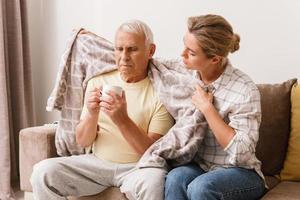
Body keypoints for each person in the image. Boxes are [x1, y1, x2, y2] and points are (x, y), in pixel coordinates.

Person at [30, 20, 174, 200]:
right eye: (119, 49)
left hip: (139, 167)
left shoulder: (162, 92)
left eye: (132, 49)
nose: (124, 56)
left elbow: (150, 151)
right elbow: (82, 141)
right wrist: (91, 114)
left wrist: (122, 120)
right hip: (97, 163)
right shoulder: (98, 82)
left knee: (154, 182)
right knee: (42, 172)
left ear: (150, 51)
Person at [164, 14, 266, 200]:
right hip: (201, 166)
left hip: (240, 172)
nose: (182, 54)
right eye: (184, 45)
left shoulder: (244, 88)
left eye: (191, 52)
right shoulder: (185, 70)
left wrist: (207, 108)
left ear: (214, 59)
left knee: (200, 188)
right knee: (175, 177)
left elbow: (242, 152)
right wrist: (93, 40)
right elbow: (147, 61)